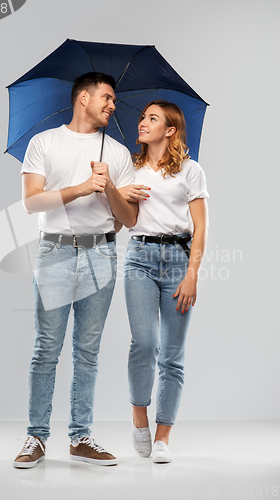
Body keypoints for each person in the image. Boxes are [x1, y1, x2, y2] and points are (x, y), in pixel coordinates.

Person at [13, 72, 138, 468]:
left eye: (114, 100)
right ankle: (36, 437)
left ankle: (80, 436)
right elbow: (31, 203)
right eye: (107, 97)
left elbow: (130, 219)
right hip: (55, 252)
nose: (112, 105)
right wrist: (83, 187)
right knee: (45, 349)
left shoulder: (117, 152)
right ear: (83, 98)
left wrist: (110, 189)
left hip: (102, 254)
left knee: (88, 351)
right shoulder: (44, 142)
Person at [118, 100, 209, 463]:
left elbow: (200, 226)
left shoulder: (191, 170)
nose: (142, 122)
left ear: (170, 130)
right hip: (138, 256)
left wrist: (192, 275)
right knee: (144, 343)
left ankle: (163, 438)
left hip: (177, 262)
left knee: (172, 355)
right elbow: (124, 221)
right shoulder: (130, 169)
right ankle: (139, 418)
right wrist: (118, 193)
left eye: (151, 118)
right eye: (142, 117)